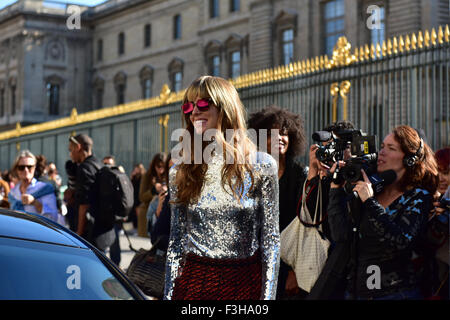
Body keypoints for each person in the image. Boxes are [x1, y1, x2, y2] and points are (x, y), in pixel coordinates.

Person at [164, 75, 280, 300]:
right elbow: (176, 242)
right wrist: (168, 296)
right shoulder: (180, 171)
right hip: (195, 284)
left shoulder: (262, 165)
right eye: (188, 106)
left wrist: (267, 299)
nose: (194, 112)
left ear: (225, 107)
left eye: (203, 103)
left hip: (245, 283)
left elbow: (271, 240)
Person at [324, 125, 438, 300]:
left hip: (396, 294)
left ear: (409, 159)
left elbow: (402, 241)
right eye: (382, 146)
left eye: (391, 148)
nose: (381, 153)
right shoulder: (371, 189)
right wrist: (335, 188)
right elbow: (341, 235)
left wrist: (370, 202)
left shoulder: (417, 197)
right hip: (357, 292)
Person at [248, 105, 307, 299]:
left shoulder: (300, 176)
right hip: (254, 265)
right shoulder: (250, 175)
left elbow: (304, 227)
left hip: (287, 268)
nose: (280, 139)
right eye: (272, 134)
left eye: (284, 134)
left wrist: (295, 270)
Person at [69, 134, 115, 252]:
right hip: (103, 230)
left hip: (90, 234)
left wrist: (78, 234)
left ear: (78, 147)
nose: (70, 154)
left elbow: (84, 205)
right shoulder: (98, 164)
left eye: (71, 149)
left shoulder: (84, 169)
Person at [8, 150, 59, 223]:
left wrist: (35, 203)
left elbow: (53, 219)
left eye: (29, 167)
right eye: (21, 167)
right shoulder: (13, 193)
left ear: (34, 168)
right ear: (16, 169)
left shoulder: (45, 189)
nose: (26, 170)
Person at [138, 153, 167, 237]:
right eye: (158, 166)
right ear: (154, 165)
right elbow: (141, 197)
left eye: (163, 166)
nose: (161, 170)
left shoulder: (169, 175)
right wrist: (153, 190)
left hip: (163, 213)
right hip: (148, 214)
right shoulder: (147, 176)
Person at [129, 163, 145, 230]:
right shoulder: (134, 177)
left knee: (138, 214)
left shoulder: (143, 177)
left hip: (139, 198)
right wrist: (132, 177)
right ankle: (135, 227)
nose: (136, 170)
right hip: (134, 197)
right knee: (134, 213)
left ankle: (138, 228)